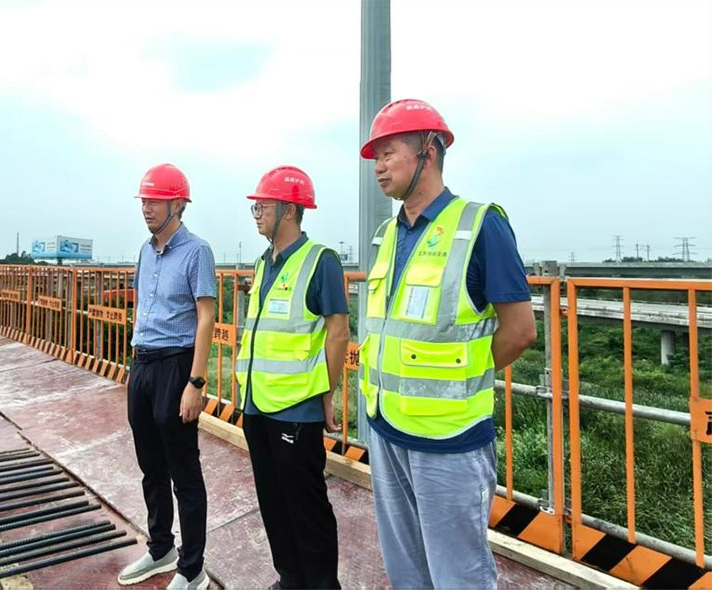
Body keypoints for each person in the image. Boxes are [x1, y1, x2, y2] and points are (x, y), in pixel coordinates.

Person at [358, 99, 537, 589]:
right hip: (386, 427)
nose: (378, 167)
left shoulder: (479, 225)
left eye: (388, 153)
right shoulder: (387, 235)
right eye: (375, 157)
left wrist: (461, 375)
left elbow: (520, 330)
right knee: (406, 572)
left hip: (449, 441)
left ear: (428, 152)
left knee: (458, 574)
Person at [235, 165, 350, 589]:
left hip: (296, 409)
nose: (257, 214)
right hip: (256, 404)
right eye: (255, 208)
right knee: (273, 503)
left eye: (262, 206)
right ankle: (290, 580)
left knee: (306, 507)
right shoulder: (263, 263)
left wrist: (327, 393)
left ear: (288, 210)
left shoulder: (320, 261)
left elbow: (338, 332)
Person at [118, 163, 216, 590]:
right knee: (150, 466)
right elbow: (142, 305)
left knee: (184, 471)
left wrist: (195, 382)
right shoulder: (145, 250)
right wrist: (134, 364)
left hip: (176, 366)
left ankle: (192, 569)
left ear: (178, 204)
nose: (147, 208)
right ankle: (161, 548)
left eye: (155, 201)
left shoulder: (197, 252)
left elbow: (206, 317)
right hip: (143, 365)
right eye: (144, 200)